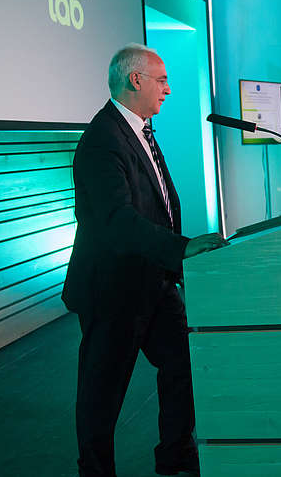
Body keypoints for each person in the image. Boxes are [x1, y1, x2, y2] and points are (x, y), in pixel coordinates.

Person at [62, 44, 228, 477]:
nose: (168, 90)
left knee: (183, 362)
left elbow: (157, 205)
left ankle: (175, 452)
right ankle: (95, 472)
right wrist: (181, 248)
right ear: (135, 80)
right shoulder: (103, 140)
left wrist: (175, 267)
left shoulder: (139, 130)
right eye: (162, 80)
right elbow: (118, 221)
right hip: (112, 290)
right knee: (102, 394)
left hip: (153, 283)